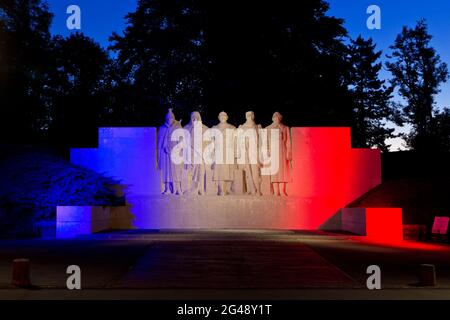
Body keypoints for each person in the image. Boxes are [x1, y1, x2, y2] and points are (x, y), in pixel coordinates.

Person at [266, 112, 292, 196]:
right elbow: (265, 141)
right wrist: (267, 151)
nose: (276, 119)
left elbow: (288, 141)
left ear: (280, 118)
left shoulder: (285, 128)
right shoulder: (268, 128)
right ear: (272, 118)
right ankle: (276, 191)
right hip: (273, 152)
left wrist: (289, 152)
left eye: (278, 117)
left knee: (283, 171)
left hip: (282, 151)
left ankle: (282, 190)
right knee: (274, 171)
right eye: (275, 117)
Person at [157, 108, 183, 195]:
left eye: (171, 118)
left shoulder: (178, 127)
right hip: (165, 153)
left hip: (175, 153)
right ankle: (167, 188)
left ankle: (178, 188)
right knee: (166, 171)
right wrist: (164, 148)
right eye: (168, 118)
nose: (169, 120)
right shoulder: (162, 128)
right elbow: (160, 141)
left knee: (176, 170)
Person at [183, 111, 209, 195]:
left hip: (200, 153)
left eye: (197, 117)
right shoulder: (186, 128)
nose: (195, 118)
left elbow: (209, 141)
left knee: (201, 171)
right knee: (190, 172)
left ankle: (200, 188)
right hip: (190, 154)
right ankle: (191, 188)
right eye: (193, 117)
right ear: (191, 118)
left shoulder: (204, 128)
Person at [238, 111, 262, 195]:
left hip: (255, 151)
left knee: (255, 171)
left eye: (251, 115)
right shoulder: (242, 127)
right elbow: (239, 140)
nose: (250, 116)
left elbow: (260, 141)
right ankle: (250, 189)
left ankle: (257, 189)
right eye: (248, 115)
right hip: (246, 151)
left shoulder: (257, 127)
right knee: (248, 171)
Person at [212, 111, 237, 195]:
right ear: (219, 117)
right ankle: (221, 189)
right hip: (219, 151)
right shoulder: (215, 128)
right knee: (220, 170)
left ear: (227, 117)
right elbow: (211, 142)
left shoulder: (232, 128)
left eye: (224, 115)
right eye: (221, 115)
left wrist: (236, 153)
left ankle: (226, 189)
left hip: (228, 151)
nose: (223, 117)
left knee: (227, 171)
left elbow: (235, 141)